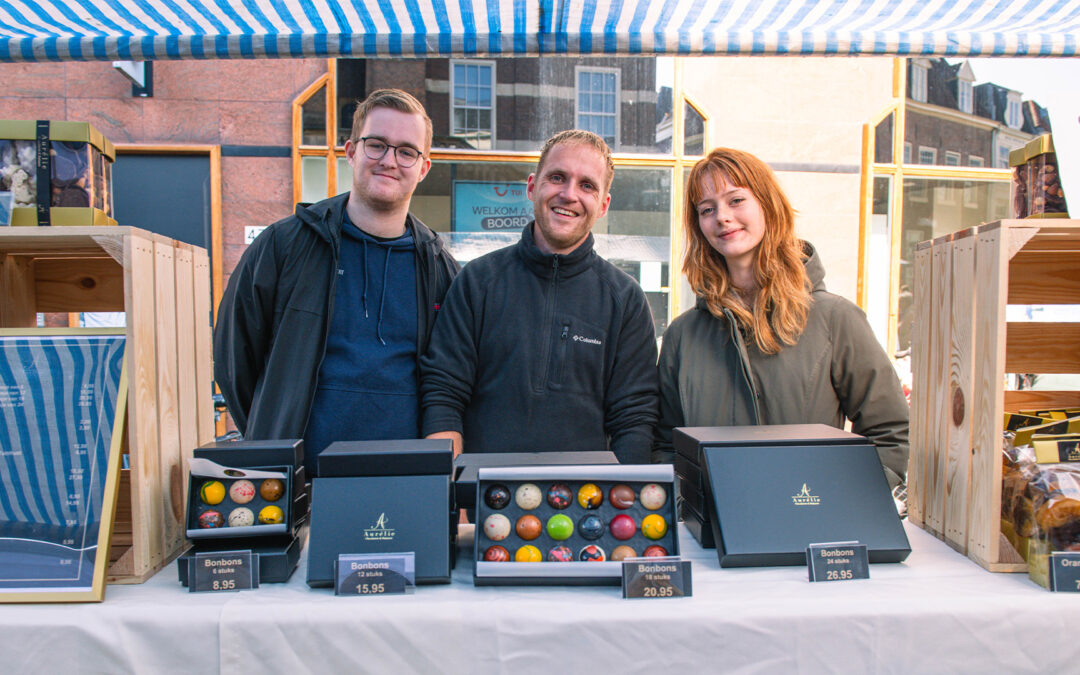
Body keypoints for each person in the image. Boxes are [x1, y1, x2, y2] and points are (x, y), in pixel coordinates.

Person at [214, 89, 459, 475]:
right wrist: (272, 430)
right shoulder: (284, 246)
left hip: (406, 487)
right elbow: (234, 360)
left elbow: (448, 384)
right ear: (350, 151)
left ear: (424, 167)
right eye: (376, 145)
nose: (390, 161)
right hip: (299, 486)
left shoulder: (441, 269)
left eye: (406, 151)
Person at [654, 147, 908, 487]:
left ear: (767, 204)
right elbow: (663, 445)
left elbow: (891, 432)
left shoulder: (835, 319)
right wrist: (689, 505)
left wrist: (848, 504)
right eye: (707, 209)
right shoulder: (683, 336)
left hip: (811, 529)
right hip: (711, 537)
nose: (722, 217)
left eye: (736, 200)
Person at [420, 129, 659, 464]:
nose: (569, 194)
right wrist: (451, 492)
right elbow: (443, 395)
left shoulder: (625, 299)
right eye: (557, 177)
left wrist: (619, 503)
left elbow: (634, 420)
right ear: (532, 187)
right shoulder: (476, 281)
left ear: (603, 204)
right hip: (482, 502)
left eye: (587, 185)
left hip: (584, 507)